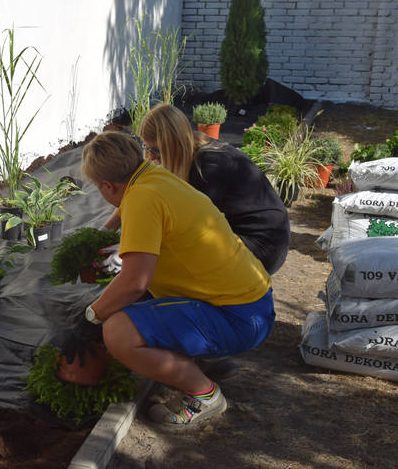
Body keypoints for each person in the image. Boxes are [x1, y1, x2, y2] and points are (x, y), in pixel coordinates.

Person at [63, 131, 275, 428]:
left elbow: (134, 282)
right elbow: (121, 215)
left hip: (239, 317)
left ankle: (205, 395)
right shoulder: (152, 176)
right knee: (125, 300)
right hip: (252, 302)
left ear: (107, 186)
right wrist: (95, 242)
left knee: (117, 330)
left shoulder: (142, 198)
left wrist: (90, 318)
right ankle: (203, 356)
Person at [102, 103, 290, 276]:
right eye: (147, 148)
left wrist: (131, 251)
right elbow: (140, 190)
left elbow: (183, 230)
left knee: (172, 260)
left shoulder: (209, 167)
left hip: (263, 246)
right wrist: (104, 231)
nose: (151, 157)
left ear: (173, 144)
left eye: (156, 151)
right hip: (238, 234)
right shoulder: (187, 148)